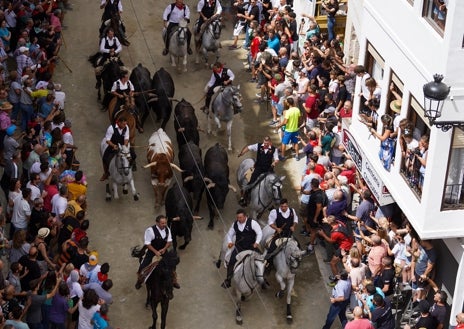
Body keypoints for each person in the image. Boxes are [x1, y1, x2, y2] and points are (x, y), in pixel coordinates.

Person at [135, 215, 180, 290]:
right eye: (162, 223)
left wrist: (164, 249)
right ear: (157, 223)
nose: (164, 225)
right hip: (152, 251)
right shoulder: (150, 231)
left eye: (165, 223)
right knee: (142, 267)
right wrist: (155, 252)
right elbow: (147, 244)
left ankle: (174, 280)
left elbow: (169, 241)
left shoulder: (167, 229)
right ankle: (139, 280)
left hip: (163, 251)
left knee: (171, 266)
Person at [222, 209, 262, 288]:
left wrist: (256, 243)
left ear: (245, 216)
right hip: (239, 248)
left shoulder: (253, 223)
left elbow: (259, 233)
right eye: (238, 217)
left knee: (261, 261)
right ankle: (228, 280)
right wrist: (230, 242)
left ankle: (262, 279)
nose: (239, 219)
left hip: (251, 247)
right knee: (231, 262)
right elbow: (229, 234)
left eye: (240, 217)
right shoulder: (235, 224)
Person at [237, 136, 279, 206]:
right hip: (258, 168)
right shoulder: (258, 146)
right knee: (250, 182)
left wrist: (274, 162)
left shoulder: (274, 149)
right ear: (263, 141)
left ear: (270, 143)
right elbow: (249, 147)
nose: (265, 145)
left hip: (268, 170)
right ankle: (245, 197)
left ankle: (274, 199)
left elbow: (276, 158)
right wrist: (242, 153)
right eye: (265, 143)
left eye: (267, 144)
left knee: (276, 183)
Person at [264, 199, 298, 266]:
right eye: (282, 206)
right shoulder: (275, 212)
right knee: (271, 250)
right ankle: (268, 264)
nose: (283, 208)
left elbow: (295, 219)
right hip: (279, 235)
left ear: (287, 205)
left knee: (298, 247)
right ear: (280, 206)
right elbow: (270, 222)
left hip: (289, 235)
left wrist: (293, 226)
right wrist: (277, 228)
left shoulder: (292, 211)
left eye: (285, 206)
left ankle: (296, 260)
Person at [100, 117, 129, 181]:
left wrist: (124, 146)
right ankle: (106, 173)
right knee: (104, 158)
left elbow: (126, 138)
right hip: (113, 144)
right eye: (123, 124)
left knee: (133, 155)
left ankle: (128, 168)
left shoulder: (126, 127)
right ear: (119, 123)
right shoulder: (111, 128)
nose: (125, 126)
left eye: (125, 124)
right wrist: (113, 145)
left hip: (122, 145)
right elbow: (107, 140)